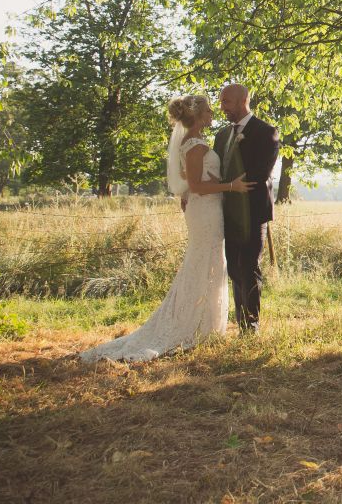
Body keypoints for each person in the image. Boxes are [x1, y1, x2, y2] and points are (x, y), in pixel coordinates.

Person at [80, 95, 254, 363]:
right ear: (197, 116)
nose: (212, 113)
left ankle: (204, 325)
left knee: (209, 262)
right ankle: (188, 325)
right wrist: (231, 187)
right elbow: (196, 185)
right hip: (205, 211)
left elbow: (189, 179)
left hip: (208, 209)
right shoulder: (195, 145)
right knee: (202, 262)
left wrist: (197, 184)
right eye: (208, 110)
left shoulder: (196, 143)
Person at [214, 84, 280, 333]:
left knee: (249, 267)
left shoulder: (266, 132)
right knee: (233, 268)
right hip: (227, 211)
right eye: (221, 102)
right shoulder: (222, 135)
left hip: (253, 212)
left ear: (243, 101)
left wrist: (228, 185)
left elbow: (259, 173)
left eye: (226, 102)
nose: (222, 107)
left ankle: (251, 325)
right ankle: (240, 320)